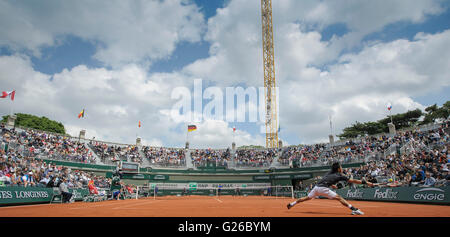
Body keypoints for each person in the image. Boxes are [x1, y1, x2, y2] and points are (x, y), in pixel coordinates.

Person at [286, 162, 376, 215]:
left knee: (307, 198)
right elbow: (353, 181)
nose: (341, 168)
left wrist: (333, 186)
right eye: (340, 167)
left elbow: (326, 180)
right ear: (338, 169)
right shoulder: (340, 175)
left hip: (316, 187)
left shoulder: (329, 172)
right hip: (323, 188)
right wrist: (367, 183)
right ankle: (354, 210)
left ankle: (292, 204)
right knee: (339, 198)